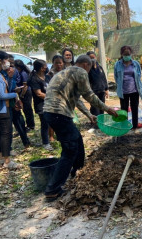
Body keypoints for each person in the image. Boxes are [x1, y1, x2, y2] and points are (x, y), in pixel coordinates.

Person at [43, 55, 117, 201]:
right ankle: (52, 190)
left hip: (51, 113)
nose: (88, 72)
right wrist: (107, 108)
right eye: (89, 68)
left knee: (76, 138)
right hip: (59, 113)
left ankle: (78, 171)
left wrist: (89, 115)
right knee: (69, 151)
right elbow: (89, 95)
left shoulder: (64, 72)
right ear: (86, 64)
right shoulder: (80, 72)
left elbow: (77, 100)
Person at [114, 45, 142, 130]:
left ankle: (134, 126)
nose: (127, 56)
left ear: (131, 54)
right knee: (124, 110)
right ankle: (124, 126)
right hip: (123, 91)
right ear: (121, 54)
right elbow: (116, 77)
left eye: (128, 54)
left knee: (134, 108)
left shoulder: (135, 64)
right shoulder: (117, 64)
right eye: (125, 54)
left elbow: (138, 76)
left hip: (134, 90)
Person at [0, 51, 21, 169]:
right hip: (1, 109)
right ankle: (7, 161)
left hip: (1, 109)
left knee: (1, 133)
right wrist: (14, 95)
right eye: (6, 60)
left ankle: (3, 156)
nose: (8, 63)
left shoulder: (1, 74)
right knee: (6, 134)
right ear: (1, 61)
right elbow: (1, 95)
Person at [1, 58, 30, 150]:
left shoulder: (13, 72)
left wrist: (17, 99)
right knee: (7, 128)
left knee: (20, 123)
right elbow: (5, 92)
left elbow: (14, 87)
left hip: (13, 101)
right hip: (4, 105)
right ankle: (6, 150)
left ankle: (26, 143)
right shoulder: (0, 75)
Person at [28, 60, 53, 151]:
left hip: (51, 104)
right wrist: (52, 97)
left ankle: (50, 139)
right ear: (42, 68)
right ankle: (46, 143)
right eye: (45, 66)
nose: (47, 68)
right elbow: (38, 93)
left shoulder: (47, 77)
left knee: (51, 122)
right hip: (41, 105)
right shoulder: (34, 79)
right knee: (45, 123)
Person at [14, 59, 35, 131]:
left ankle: (31, 125)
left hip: (26, 93)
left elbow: (25, 86)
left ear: (18, 67)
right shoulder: (20, 73)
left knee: (27, 109)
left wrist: (22, 95)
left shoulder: (23, 73)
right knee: (25, 109)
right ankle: (29, 124)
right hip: (22, 93)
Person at [47, 55, 64, 142]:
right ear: (53, 63)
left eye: (60, 63)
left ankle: (60, 134)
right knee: (53, 118)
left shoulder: (65, 73)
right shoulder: (49, 74)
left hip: (63, 99)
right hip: (53, 99)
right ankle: (51, 136)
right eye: (56, 63)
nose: (58, 65)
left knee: (62, 117)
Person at [87, 51, 109, 116]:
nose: (92, 59)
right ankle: (95, 123)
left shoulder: (99, 67)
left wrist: (106, 89)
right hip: (93, 92)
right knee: (95, 109)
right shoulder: (88, 69)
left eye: (93, 57)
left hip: (102, 91)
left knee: (102, 108)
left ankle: (101, 123)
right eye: (90, 58)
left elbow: (104, 78)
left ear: (95, 57)